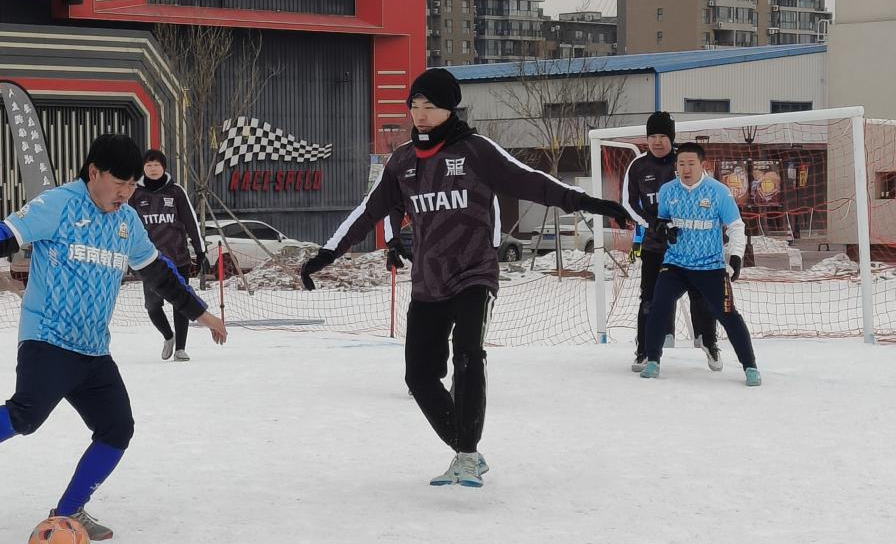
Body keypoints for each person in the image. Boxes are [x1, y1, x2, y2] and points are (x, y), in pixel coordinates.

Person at [300, 68, 633, 488]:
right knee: (419, 376)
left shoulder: (475, 151)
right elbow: (368, 213)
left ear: (449, 109)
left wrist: (592, 203)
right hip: (428, 280)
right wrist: (326, 254)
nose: (420, 115)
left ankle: (468, 454)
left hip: (474, 273)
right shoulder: (401, 161)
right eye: (414, 106)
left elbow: (533, 183)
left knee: (468, 357)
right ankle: (464, 447)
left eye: (430, 107)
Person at [0, 134, 228, 541]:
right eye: (119, 183)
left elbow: (160, 273)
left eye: (132, 186)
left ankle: (69, 511)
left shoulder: (127, 223)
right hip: (47, 338)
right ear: (94, 173)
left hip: (93, 349)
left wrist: (201, 313)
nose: (126, 193)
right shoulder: (57, 205)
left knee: (117, 429)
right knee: (26, 416)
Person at [640, 142, 760, 386]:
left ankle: (750, 366)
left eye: (691, 164)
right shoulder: (668, 190)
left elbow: (736, 226)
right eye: (681, 164)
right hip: (676, 264)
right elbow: (662, 219)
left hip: (710, 266)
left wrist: (736, 257)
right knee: (658, 305)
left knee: (728, 314)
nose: (686, 169)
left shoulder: (718, 192)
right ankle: (652, 360)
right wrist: (664, 228)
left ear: (702, 165)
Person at [623, 112, 721, 372]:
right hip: (655, 246)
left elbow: (707, 194)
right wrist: (653, 224)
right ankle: (644, 351)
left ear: (671, 137)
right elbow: (628, 204)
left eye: (663, 136)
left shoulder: (685, 161)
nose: (657, 141)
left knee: (702, 295)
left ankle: (708, 341)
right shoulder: (638, 166)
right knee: (649, 299)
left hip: (690, 246)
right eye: (653, 136)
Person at [129, 149, 206, 361]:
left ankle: (180, 348)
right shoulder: (135, 193)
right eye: (148, 165)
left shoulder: (176, 191)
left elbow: (191, 222)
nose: (153, 169)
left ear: (163, 167)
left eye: (157, 165)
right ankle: (168, 336)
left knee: (181, 303)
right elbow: (127, 225)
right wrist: (126, 255)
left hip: (178, 258)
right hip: (149, 260)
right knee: (153, 306)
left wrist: (200, 251)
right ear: (143, 168)